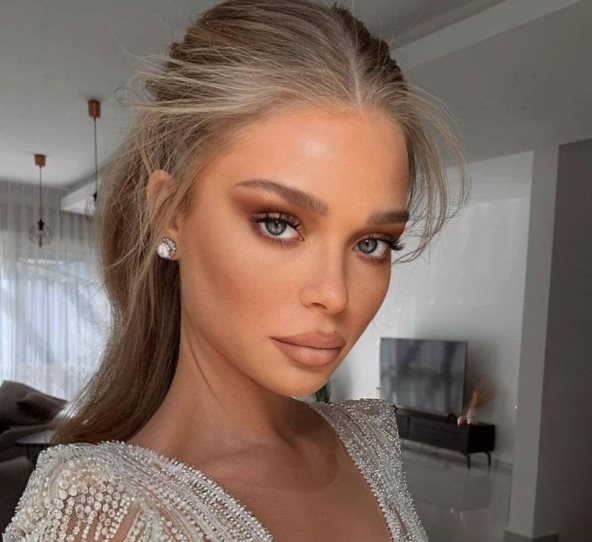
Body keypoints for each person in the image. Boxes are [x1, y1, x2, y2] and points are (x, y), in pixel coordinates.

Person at [3, 0, 468, 540]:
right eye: (278, 224)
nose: (335, 295)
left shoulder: (368, 445)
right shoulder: (98, 516)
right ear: (169, 211)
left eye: (372, 243)